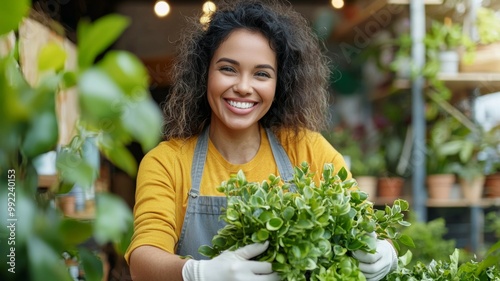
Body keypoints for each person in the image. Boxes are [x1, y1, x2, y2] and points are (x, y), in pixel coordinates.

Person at [125, 1, 397, 281]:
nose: (243, 87)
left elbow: (369, 228)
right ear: (204, 73)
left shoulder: (309, 151)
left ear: (280, 83)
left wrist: (385, 253)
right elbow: (143, 261)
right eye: (228, 69)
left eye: (262, 74)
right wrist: (198, 273)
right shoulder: (167, 163)